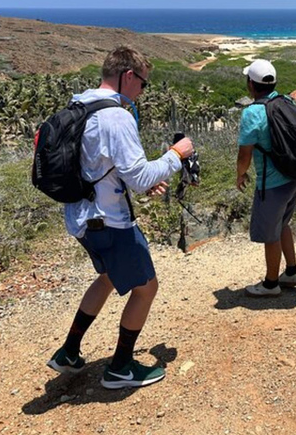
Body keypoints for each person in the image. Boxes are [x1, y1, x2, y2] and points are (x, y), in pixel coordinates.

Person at [46, 46, 194, 389]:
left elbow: (104, 166)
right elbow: (139, 175)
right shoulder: (116, 116)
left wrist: (143, 181)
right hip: (110, 222)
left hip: (81, 217)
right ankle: (121, 368)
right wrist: (176, 154)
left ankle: (69, 351)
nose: (143, 91)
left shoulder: (80, 104)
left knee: (110, 278)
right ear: (129, 76)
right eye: (143, 83)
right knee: (146, 288)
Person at [236, 59, 296, 297]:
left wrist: (240, 175)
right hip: (295, 177)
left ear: (251, 85)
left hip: (272, 184)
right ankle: (291, 272)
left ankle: (271, 283)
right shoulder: (286, 101)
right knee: (283, 224)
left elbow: (245, 153)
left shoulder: (252, 113)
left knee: (270, 234)